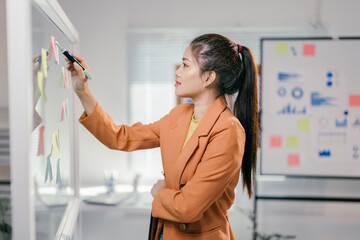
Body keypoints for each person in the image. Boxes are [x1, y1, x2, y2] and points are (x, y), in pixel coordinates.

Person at [67, 33, 259, 240]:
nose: (177, 72)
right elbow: (120, 137)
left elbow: (187, 208)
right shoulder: (179, 114)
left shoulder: (228, 131)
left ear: (208, 77)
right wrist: (82, 90)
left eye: (185, 65)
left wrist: (159, 192)